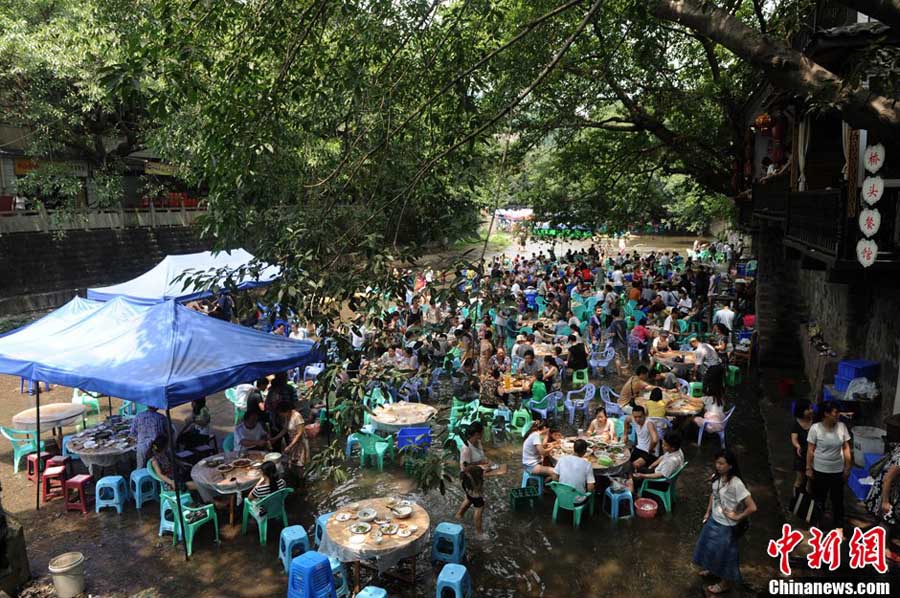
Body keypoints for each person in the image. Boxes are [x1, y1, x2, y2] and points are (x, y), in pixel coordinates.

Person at [693, 449, 757, 594]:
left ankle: (725, 583)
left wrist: (737, 516)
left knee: (725, 555)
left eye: (722, 463)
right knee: (709, 547)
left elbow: (752, 507)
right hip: (714, 519)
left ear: (730, 465)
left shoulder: (736, 484)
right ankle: (712, 570)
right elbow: (713, 495)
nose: (718, 466)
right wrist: (708, 512)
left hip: (727, 525)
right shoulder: (717, 477)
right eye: (717, 462)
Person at [806, 402, 851, 531]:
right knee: (819, 499)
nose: (838, 415)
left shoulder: (842, 427)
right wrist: (808, 468)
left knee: (838, 500)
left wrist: (847, 468)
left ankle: (839, 527)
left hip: (837, 470)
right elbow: (810, 450)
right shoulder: (815, 429)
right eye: (835, 413)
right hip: (820, 470)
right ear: (826, 414)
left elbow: (846, 448)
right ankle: (817, 525)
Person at [864, 441, 900, 561]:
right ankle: (883, 549)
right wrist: (885, 501)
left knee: (884, 518)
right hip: (886, 490)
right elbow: (887, 479)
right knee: (887, 520)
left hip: (892, 489)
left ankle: (876, 540)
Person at [271, 401, 308, 467]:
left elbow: (299, 434)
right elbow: (285, 429)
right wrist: (275, 438)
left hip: (300, 443)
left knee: (300, 463)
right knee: (292, 462)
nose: (281, 415)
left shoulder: (297, 416)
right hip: (292, 441)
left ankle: (301, 476)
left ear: (287, 410)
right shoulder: (287, 416)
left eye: (281, 413)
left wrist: (290, 446)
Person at [790, 399, 813, 496]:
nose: (811, 410)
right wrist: (797, 446)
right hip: (801, 456)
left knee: (811, 479)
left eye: (811, 408)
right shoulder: (796, 424)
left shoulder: (814, 421)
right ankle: (795, 498)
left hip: (813, 454)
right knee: (800, 478)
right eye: (808, 409)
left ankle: (809, 499)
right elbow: (794, 438)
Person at [456, 464, 486, 537]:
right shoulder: (476, 482)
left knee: (468, 500)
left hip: (468, 492)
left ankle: (458, 515)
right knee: (479, 511)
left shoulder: (465, 478)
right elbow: (478, 488)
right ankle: (479, 533)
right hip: (476, 495)